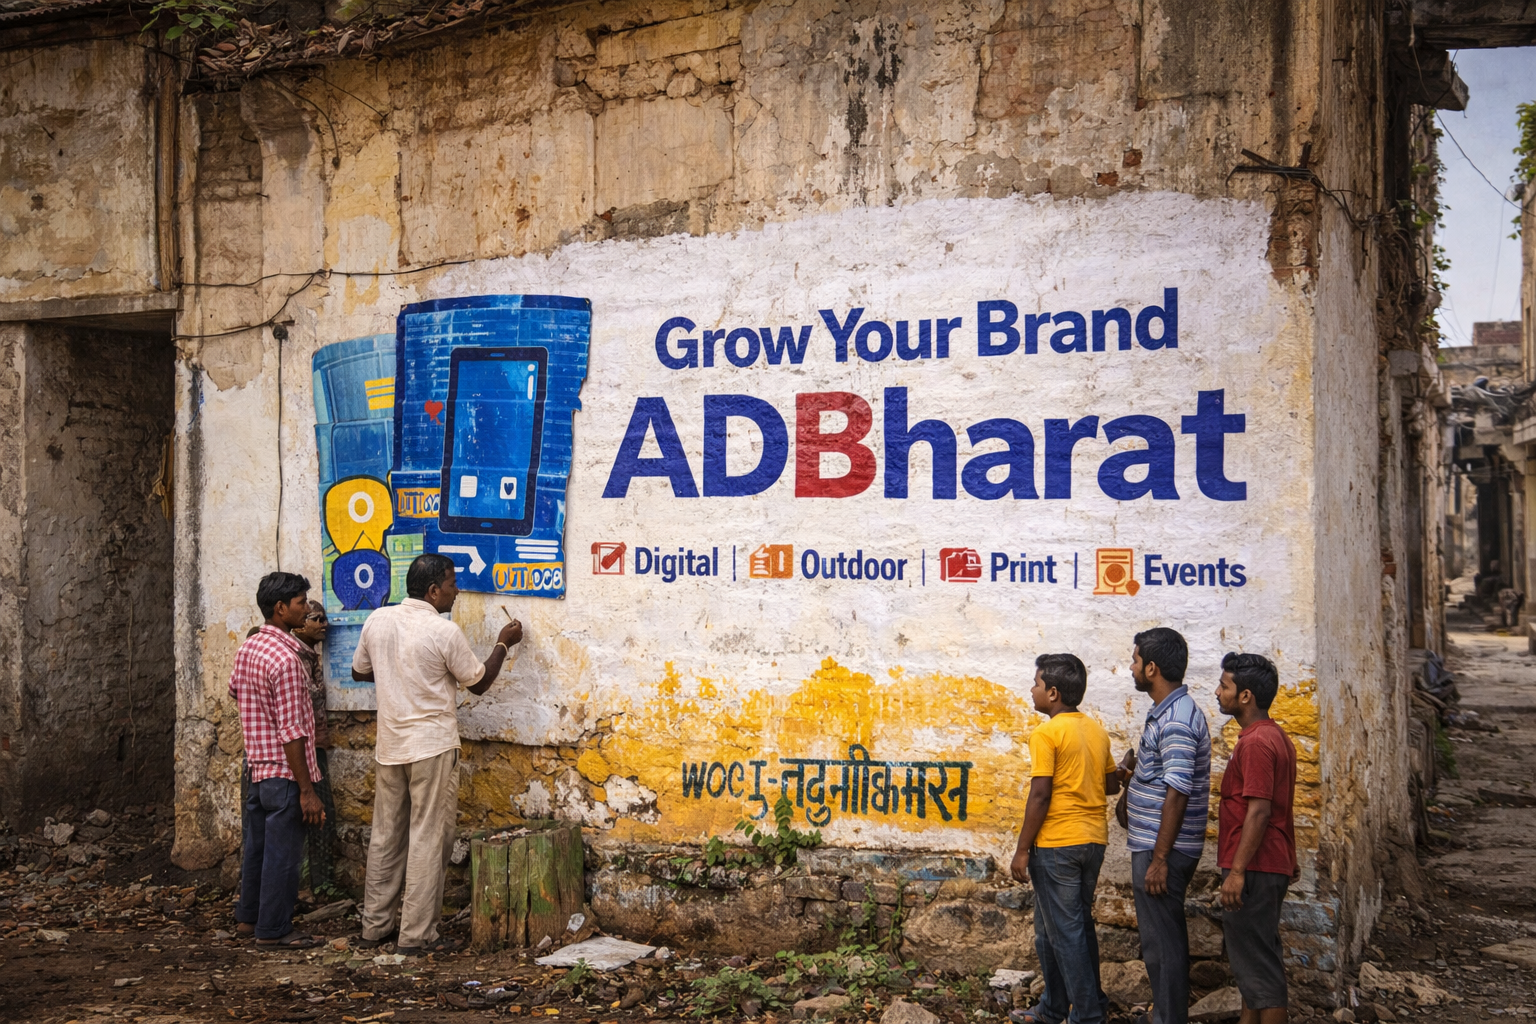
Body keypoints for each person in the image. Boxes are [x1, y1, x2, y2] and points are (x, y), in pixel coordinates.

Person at [351, 553, 524, 956]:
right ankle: (416, 935)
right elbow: (477, 683)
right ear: (433, 591)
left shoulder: (378, 620)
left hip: (391, 746)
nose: (457, 589)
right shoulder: (442, 631)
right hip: (430, 745)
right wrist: (503, 642)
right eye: (451, 583)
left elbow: (360, 671)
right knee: (428, 838)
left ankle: (373, 928)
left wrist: (396, 670)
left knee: (386, 838)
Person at [1009, 653, 1120, 1024]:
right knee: (1056, 930)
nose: (1032, 689)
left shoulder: (1046, 733)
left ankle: (1088, 1016)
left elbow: (1040, 794)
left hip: (1058, 844)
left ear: (1053, 693)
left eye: (1037, 684)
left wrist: (1022, 849)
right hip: (1092, 843)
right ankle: (1054, 1008)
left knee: (1067, 933)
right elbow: (1108, 784)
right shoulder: (1096, 730)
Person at [230, 572, 325, 948]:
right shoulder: (287, 660)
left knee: (257, 848)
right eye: (300, 602)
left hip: (257, 767)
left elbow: (236, 692)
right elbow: (293, 732)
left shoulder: (249, 648)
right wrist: (306, 790)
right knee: (283, 857)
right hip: (285, 773)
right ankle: (273, 929)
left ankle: (248, 919)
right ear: (280, 608)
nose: (306, 607)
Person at [1121, 628, 1211, 1024]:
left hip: (1164, 850)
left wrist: (1159, 859)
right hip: (1157, 845)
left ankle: (1169, 1019)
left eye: (1136, 660)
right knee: (1157, 939)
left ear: (1152, 668)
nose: (1131, 666)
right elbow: (1164, 777)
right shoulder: (1168, 711)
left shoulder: (1176, 719)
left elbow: (1178, 790)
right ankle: (1163, 1014)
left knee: (1163, 941)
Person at [1215, 652, 1297, 1024]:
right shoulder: (1274, 736)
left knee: (1260, 967)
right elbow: (1283, 807)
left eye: (1225, 685)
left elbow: (1261, 810)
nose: (1218, 692)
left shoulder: (1257, 743)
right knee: (1253, 960)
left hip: (1255, 866)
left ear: (1245, 696)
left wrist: (1237, 871)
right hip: (1267, 863)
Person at [294, 600, 341, 897]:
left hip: (316, 746)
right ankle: (310, 885)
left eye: (324, 618)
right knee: (315, 816)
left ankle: (318, 884)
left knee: (323, 817)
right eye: (316, 619)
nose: (324, 624)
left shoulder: (311, 656)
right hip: (302, 750)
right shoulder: (294, 659)